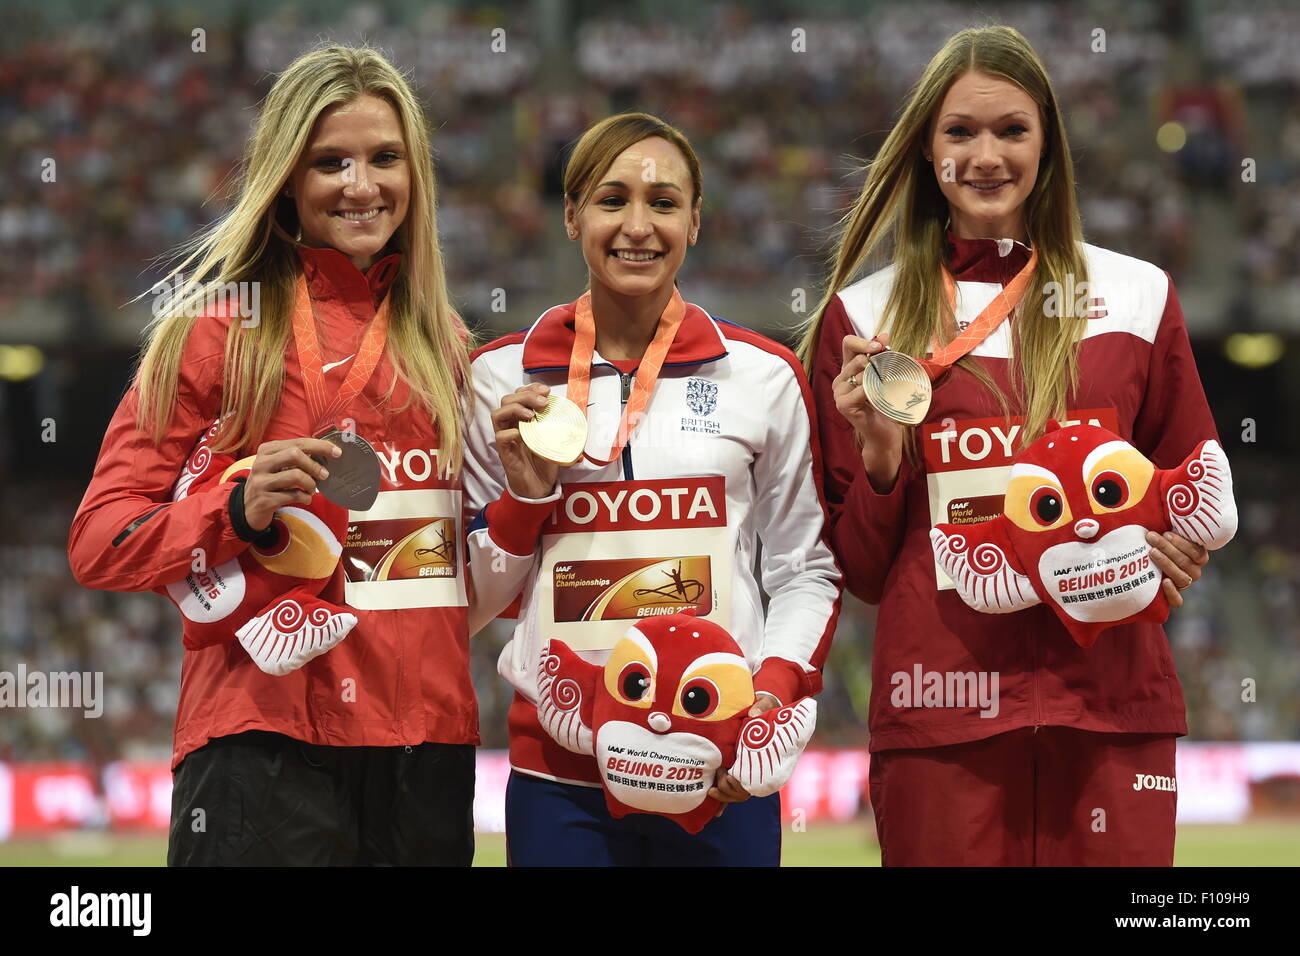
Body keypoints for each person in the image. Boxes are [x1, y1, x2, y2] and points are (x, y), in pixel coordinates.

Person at [68, 45, 520, 866]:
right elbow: (102, 540)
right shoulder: (212, 332)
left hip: (426, 750)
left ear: (416, 176)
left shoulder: (452, 350)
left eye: (385, 158)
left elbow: (477, 558)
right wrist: (232, 512)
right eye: (329, 162)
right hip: (258, 743)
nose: (361, 184)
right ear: (285, 180)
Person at [797, 25, 1217, 866]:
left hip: (1111, 715)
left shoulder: (1137, 296)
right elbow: (866, 573)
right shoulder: (864, 322)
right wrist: (881, 465)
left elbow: (1194, 489)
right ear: (926, 149)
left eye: (1012, 130)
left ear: (1048, 145)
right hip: (941, 717)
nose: (986, 155)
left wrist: (1181, 547)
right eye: (960, 132)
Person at [464, 112, 842, 866]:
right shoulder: (499, 378)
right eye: (612, 200)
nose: (638, 225)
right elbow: (469, 605)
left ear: (696, 221)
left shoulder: (762, 376)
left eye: (664, 203)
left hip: (720, 761)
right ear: (571, 216)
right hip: (557, 772)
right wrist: (526, 501)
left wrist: (764, 701)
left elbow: (806, 569)